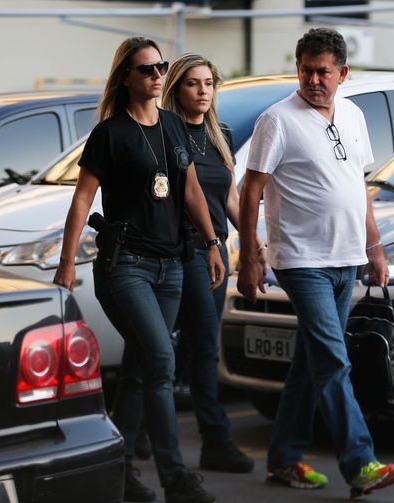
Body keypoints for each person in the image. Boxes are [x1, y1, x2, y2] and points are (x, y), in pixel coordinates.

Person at [53, 37, 223, 503]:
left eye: (159, 67)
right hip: (125, 266)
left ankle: (119, 470)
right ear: (126, 77)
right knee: (162, 362)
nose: (155, 76)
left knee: (141, 369)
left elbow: (190, 191)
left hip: (170, 267)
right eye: (146, 69)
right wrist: (67, 261)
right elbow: (82, 199)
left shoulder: (171, 125)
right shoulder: (110, 134)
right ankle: (176, 478)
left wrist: (211, 243)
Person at [237, 27, 394, 498]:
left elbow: (359, 188)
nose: (313, 80)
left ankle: (284, 459)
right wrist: (251, 255)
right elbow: (250, 191)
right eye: (306, 70)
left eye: (322, 71)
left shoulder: (353, 114)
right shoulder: (278, 120)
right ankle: (360, 463)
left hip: (346, 256)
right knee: (332, 359)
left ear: (342, 73)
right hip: (301, 259)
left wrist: (375, 248)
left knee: (310, 363)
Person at [161, 53, 262, 474]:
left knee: (200, 346)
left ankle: (206, 441)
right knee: (171, 347)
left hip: (214, 253)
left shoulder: (220, 134)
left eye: (208, 84)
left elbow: (232, 198)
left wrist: (254, 245)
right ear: (176, 90)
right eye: (192, 84)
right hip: (176, 252)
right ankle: (203, 438)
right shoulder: (164, 132)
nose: (203, 92)